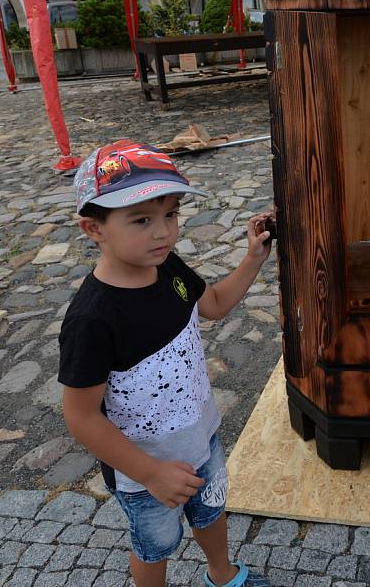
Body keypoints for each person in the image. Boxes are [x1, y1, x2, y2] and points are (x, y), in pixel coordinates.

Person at [59, 140, 273, 587]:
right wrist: (150, 473)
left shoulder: (168, 267)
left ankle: (223, 574)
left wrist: (253, 258)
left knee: (211, 512)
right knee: (154, 546)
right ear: (93, 228)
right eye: (142, 220)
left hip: (201, 438)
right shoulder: (92, 319)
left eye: (171, 215)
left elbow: (212, 305)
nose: (163, 233)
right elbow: (80, 417)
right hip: (144, 470)